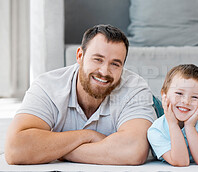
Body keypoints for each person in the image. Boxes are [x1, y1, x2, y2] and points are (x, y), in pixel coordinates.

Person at [5, 24, 157, 165]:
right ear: (79, 56)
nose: (104, 72)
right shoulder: (47, 86)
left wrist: (58, 151)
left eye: (115, 64)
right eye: (98, 59)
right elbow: (15, 149)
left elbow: (134, 150)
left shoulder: (135, 88)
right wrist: (87, 135)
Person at [147, 64, 198, 167]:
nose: (186, 102)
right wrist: (172, 124)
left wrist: (190, 126)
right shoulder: (156, 130)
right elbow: (181, 162)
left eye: (195, 97)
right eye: (179, 94)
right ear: (164, 95)